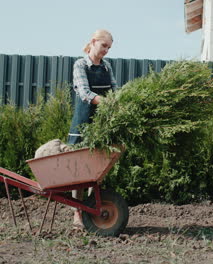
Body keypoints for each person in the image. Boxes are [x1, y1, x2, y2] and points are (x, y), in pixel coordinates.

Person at [68, 29, 117, 227]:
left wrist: (118, 102)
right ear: (94, 42)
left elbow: (114, 90)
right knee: (78, 171)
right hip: (83, 123)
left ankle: (91, 210)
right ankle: (77, 213)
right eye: (104, 45)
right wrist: (108, 103)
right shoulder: (80, 65)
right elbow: (85, 93)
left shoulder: (107, 67)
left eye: (109, 48)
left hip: (101, 125)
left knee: (97, 170)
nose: (106, 50)